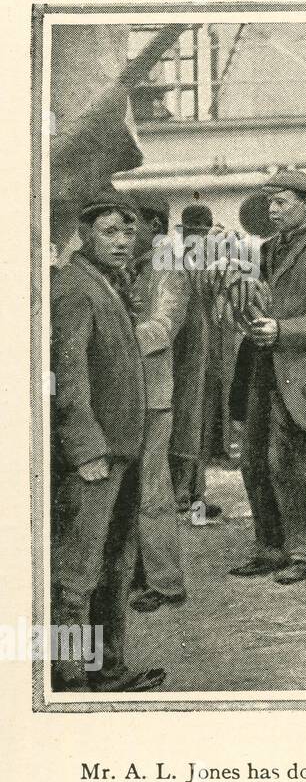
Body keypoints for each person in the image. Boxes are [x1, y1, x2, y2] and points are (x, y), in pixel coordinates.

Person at [50, 192, 166, 691]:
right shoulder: (75, 288)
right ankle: (68, 677)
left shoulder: (106, 282)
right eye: (110, 233)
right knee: (77, 571)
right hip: (97, 455)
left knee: (115, 562)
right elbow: (67, 376)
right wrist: (86, 448)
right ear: (84, 234)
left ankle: (107, 668)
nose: (122, 242)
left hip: (122, 448)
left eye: (128, 232)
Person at [230, 170, 306, 584]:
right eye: (270, 203)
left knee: (290, 466)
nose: (273, 210)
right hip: (264, 369)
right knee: (252, 461)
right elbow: (256, 296)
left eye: (281, 202)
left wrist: (283, 330)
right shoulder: (266, 249)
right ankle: (269, 547)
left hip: (302, 375)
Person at [128, 195, 188, 613]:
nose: (126, 237)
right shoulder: (131, 268)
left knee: (152, 492)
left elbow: (164, 327)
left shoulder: (167, 268)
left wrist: (114, 342)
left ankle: (167, 583)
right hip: (128, 394)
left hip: (152, 396)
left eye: (131, 226)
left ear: (154, 225)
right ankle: (138, 573)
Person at [169, 203, 223, 525]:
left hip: (207, 353)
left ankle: (197, 497)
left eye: (202, 235)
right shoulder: (174, 264)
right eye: (193, 234)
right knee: (185, 424)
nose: (197, 240)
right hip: (183, 355)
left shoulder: (210, 262)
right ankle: (181, 498)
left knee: (200, 425)